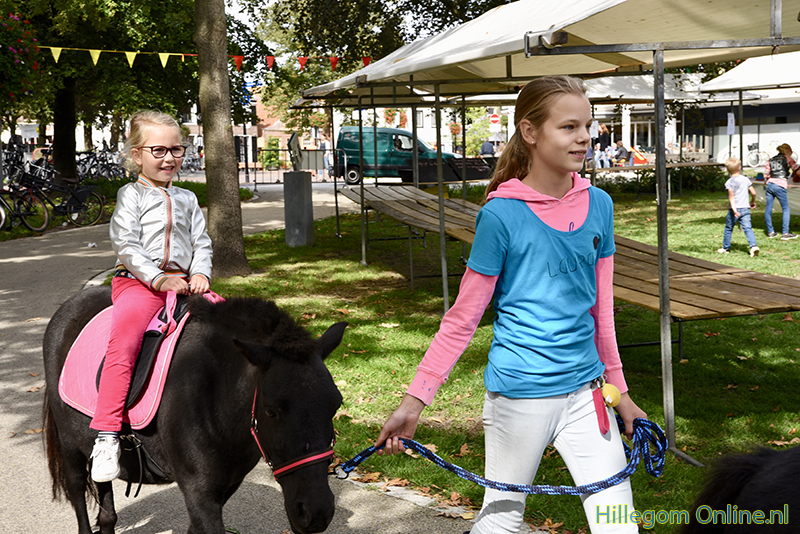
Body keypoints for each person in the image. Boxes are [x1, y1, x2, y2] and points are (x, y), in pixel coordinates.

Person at [376, 76, 647, 534]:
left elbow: (602, 313)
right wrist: (414, 401)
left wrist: (621, 395)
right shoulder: (500, 216)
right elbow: (462, 320)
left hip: (588, 396)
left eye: (587, 125)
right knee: (500, 523)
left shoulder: (599, 204)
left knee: (619, 525)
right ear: (530, 132)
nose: (584, 137)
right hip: (519, 398)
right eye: (568, 127)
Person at [89, 110, 213, 483]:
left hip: (185, 283)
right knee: (125, 343)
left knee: (230, 330)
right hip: (139, 283)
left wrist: (201, 272)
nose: (169, 157)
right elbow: (126, 243)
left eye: (176, 149)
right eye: (158, 150)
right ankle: (107, 432)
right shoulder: (131, 195)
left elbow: (201, 242)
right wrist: (158, 279)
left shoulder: (188, 198)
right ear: (136, 154)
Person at [717, 158, 759, 257]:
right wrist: (752, 201)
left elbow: (731, 197)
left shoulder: (729, 182)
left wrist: (734, 209)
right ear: (740, 168)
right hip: (745, 208)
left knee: (728, 228)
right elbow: (753, 192)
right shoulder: (746, 179)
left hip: (734, 210)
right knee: (748, 228)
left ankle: (726, 248)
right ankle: (753, 246)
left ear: (728, 170)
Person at [764, 143, 799, 240]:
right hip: (780, 185)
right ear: (787, 150)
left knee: (768, 209)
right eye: (791, 151)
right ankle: (785, 233)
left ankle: (770, 232)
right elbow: (798, 171)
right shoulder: (788, 159)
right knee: (786, 209)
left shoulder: (771, 160)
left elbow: (766, 175)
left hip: (770, 185)